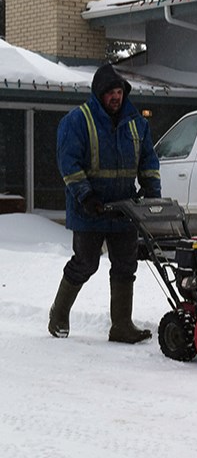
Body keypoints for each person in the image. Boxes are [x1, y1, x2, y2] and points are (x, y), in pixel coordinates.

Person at [49, 63, 161, 343]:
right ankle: (58, 314)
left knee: (126, 265)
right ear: (99, 93)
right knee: (85, 263)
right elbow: (69, 163)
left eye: (119, 91)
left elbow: (148, 160)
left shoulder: (137, 123)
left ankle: (121, 325)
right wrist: (86, 195)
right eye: (110, 92)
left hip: (123, 209)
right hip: (90, 208)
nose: (116, 97)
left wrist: (151, 191)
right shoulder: (77, 121)